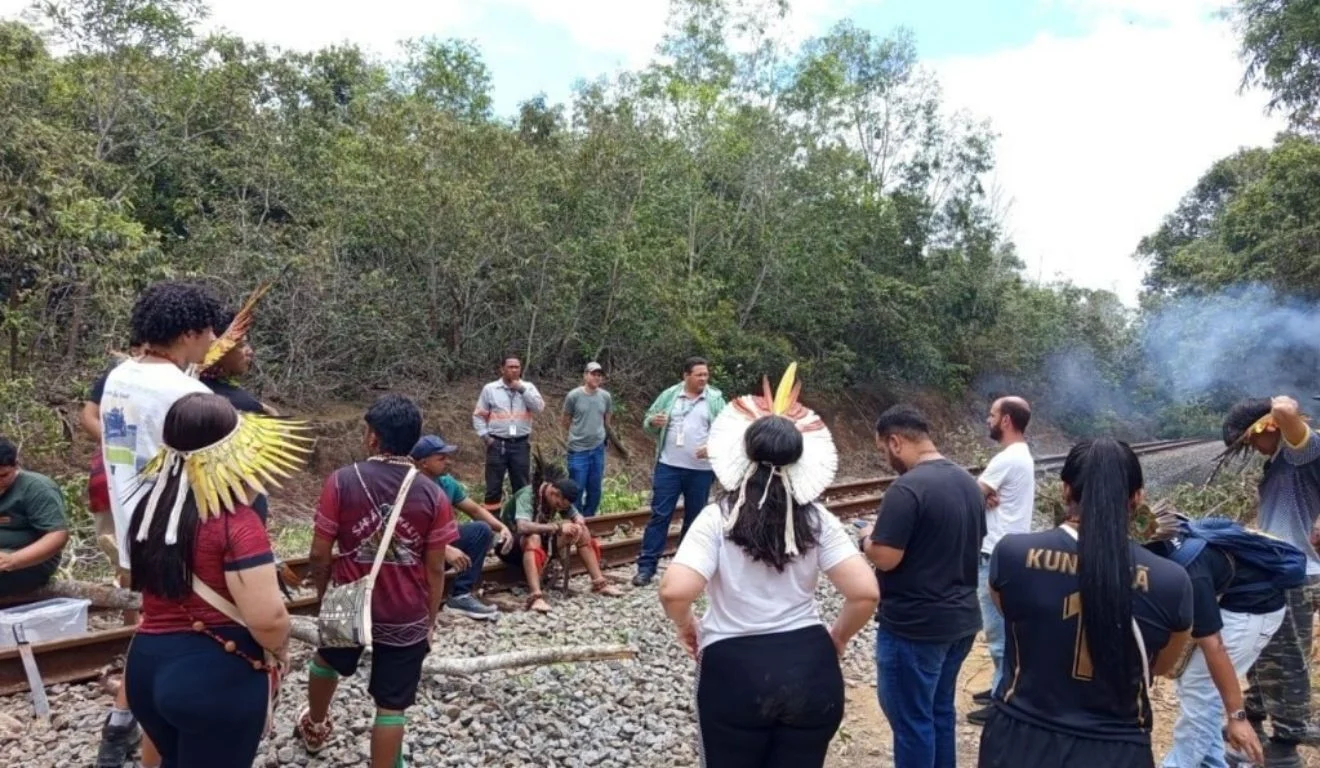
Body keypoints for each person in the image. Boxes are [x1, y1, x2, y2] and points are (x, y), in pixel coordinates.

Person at [658, 364, 879, 767]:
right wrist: (838, 638)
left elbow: (674, 590)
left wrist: (688, 626)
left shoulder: (717, 517)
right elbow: (865, 593)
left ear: (743, 454)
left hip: (734, 672)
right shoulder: (817, 518)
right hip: (812, 668)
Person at [978, 439, 1195, 768]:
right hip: (1116, 750)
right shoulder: (1171, 580)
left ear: (1065, 490)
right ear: (1137, 497)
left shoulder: (1011, 554)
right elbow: (1160, 667)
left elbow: (1009, 612)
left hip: (1019, 740)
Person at [123, 392, 303, 768]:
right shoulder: (235, 523)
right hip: (213, 675)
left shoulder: (150, 508)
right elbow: (268, 619)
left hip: (144, 669)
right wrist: (280, 652)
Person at [97, 280, 222, 768]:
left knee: (154, 628)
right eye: (210, 329)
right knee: (187, 640)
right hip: (180, 539)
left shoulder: (119, 377)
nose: (215, 339)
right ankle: (168, 734)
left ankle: (124, 727)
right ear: (188, 332)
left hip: (135, 530)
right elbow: (211, 476)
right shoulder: (185, 392)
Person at [298, 394, 459, 768]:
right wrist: (429, 620)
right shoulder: (433, 494)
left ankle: (317, 725)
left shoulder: (341, 481)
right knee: (391, 707)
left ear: (373, 438)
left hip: (351, 603)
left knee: (326, 658)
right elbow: (435, 568)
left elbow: (319, 555)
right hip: (405, 614)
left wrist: (327, 597)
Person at [862, 404, 984, 768]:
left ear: (895, 441)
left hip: (916, 627)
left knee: (911, 721)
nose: (886, 459)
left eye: (884, 450)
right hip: (961, 621)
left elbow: (886, 557)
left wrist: (867, 538)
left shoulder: (907, 487)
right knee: (938, 712)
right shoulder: (968, 482)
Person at [1138, 509, 1299, 768]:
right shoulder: (1163, 541)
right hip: (1231, 598)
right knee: (1195, 687)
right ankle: (1213, 763)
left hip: (1253, 611)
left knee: (1199, 688)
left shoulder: (1189, 571)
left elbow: (1215, 647)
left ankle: (1180, 764)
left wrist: (1237, 717)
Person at [1222, 395, 1320, 767]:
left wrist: (1274, 406)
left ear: (1267, 427)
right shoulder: (1280, 461)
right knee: (1265, 651)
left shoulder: (1302, 452)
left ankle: (1287, 741)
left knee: (1286, 656)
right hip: (1276, 570)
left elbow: (1285, 412)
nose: (1252, 447)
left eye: (1251, 439)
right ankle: (1258, 719)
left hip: (1294, 574)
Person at [968, 396, 1036, 725]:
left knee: (997, 632)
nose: (988, 419)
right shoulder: (1020, 455)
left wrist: (979, 493)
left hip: (995, 552)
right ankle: (1000, 683)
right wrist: (983, 494)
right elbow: (979, 493)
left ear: (1006, 420)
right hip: (1009, 549)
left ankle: (1001, 699)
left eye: (992, 414)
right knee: (1002, 628)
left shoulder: (1008, 458)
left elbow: (965, 494)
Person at [633, 357, 727, 587]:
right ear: (686, 376)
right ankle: (646, 568)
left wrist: (713, 446)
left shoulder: (715, 399)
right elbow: (647, 420)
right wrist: (653, 422)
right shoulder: (669, 396)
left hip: (701, 470)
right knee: (660, 515)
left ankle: (685, 567)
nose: (704, 379)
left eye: (706, 375)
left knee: (694, 520)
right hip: (669, 466)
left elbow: (727, 430)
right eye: (699, 375)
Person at [496, 455, 624, 613]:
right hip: (510, 545)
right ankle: (536, 596)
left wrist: (577, 524)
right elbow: (522, 527)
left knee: (582, 532)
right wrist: (557, 527)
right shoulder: (528, 495)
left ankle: (599, 583)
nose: (559, 508)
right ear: (554, 493)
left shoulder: (560, 498)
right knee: (534, 537)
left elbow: (577, 517)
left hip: (539, 541)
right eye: (558, 505)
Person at [410, 433, 514, 621]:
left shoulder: (446, 483)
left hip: (439, 549)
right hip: (416, 554)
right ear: (424, 463)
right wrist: (444, 548)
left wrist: (501, 527)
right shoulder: (409, 488)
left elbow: (474, 509)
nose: (447, 462)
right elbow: (407, 531)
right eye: (441, 458)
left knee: (480, 530)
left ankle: (460, 596)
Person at [199, 307, 277, 524]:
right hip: (237, 518)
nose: (249, 351)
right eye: (241, 345)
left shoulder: (191, 388)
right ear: (219, 350)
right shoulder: (241, 405)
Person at [81, 339, 143, 574]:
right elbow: (88, 416)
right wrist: (116, 448)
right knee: (115, 544)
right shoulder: (115, 378)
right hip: (113, 470)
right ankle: (131, 608)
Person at [472, 354, 545, 510]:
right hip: (497, 444)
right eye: (510, 367)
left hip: (520, 444)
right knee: (493, 486)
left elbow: (539, 408)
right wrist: (486, 437)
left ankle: (521, 523)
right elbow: (478, 416)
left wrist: (522, 390)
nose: (514, 370)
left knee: (522, 487)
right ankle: (493, 525)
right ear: (502, 369)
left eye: (517, 367)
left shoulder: (528, 387)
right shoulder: (490, 389)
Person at [0, 438, 69, 596]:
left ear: (16, 465)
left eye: (3, 475)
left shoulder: (36, 487)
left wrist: (13, 560)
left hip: (28, 561)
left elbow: (57, 535)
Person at [562, 361, 613, 518]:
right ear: (585, 375)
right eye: (593, 374)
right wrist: (577, 435)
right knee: (576, 488)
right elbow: (565, 421)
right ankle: (576, 519)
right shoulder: (574, 396)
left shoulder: (605, 396)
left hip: (597, 449)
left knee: (595, 488)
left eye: (599, 375)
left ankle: (590, 519)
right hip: (578, 450)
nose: (596, 377)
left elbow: (607, 421)